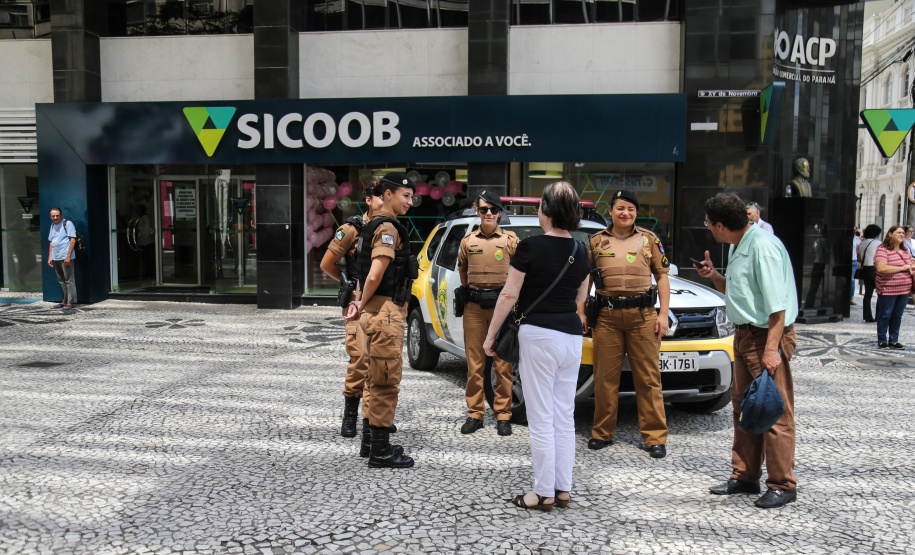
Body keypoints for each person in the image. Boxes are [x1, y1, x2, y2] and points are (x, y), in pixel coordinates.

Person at [483, 181, 589, 512]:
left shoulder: (529, 247)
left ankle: (542, 492)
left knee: (541, 415)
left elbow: (509, 294)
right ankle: (563, 488)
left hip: (539, 335)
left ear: (545, 210)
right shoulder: (582, 250)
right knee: (564, 414)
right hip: (572, 337)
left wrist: (491, 336)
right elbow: (581, 298)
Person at [695, 193, 798, 509]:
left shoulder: (762, 247)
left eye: (709, 224)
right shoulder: (740, 244)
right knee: (745, 407)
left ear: (721, 225)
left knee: (772, 407)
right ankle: (745, 476)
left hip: (766, 335)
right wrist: (713, 276)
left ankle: (782, 484)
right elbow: (741, 293)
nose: (708, 228)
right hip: (744, 335)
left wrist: (771, 350)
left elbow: (777, 307)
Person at [585, 189, 671, 459]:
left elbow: (663, 277)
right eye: (620, 208)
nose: (626, 213)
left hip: (643, 317)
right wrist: (579, 310)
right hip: (607, 318)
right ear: (610, 210)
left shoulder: (649, 239)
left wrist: (663, 314)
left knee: (648, 379)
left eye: (631, 209)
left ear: (636, 213)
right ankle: (601, 433)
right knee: (605, 380)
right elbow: (585, 279)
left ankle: (655, 437)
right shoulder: (596, 241)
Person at [345, 172, 417, 469]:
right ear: (388, 195)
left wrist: (360, 304)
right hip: (386, 311)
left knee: (375, 379)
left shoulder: (373, 225)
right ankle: (381, 451)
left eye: (412, 197)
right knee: (386, 382)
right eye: (405, 196)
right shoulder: (387, 227)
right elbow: (375, 272)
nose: (410, 202)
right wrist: (360, 303)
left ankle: (368, 442)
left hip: (376, 310)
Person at [320, 185, 384, 440]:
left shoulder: (389, 228)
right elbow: (327, 263)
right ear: (368, 200)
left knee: (379, 360)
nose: (383, 201)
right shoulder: (351, 230)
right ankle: (350, 415)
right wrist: (347, 284)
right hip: (358, 302)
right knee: (360, 359)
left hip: (382, 302)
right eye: (379, 197)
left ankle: (373, 418)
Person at [457, 190, 520, 436]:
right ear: (478, 211)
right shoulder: (467, 240)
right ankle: (475, 414)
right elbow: (463, 272)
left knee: (503, 364)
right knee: (475, 365)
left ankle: (503, 415)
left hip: (502, 309)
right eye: (484, 210)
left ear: (500, 212)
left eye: (494, 209)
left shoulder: (511, 241)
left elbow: (519, 275)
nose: (489, 214)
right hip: (474, 307)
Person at [873, 225, 913, 349]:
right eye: (899, 232)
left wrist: (911, 269)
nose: (902, 234)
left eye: (903, 233)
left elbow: (911, 265)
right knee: (885, 314)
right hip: (888, 289)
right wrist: (902, 268)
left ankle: (894, 340)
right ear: (890, 234)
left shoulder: (905, 251)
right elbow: (881, 268)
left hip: (904, 289)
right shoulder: (882, 250)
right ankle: (882, 339)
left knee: (897, 315)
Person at [47, 207, 77, 310]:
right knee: (61, 280)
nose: (55, 218)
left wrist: (68, 256)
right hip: (56, 257)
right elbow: (51, 242)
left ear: (61, 215)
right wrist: (50, 257)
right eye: (53, 216)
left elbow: (73, 240)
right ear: (50, 216)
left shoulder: (67, 224)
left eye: (57, 215)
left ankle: (71, 302)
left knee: (69, 280)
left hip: (65, 256)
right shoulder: (52, 225)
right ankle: (64, 300)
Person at [858, 224, 882, 323]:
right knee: (880, 293)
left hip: (865, 270)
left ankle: (867, 316)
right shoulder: (878, 243)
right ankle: (878, 316)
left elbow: (859, 258)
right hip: (875, 269)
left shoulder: (862, 243)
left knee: (868, 293)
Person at [851, 230, 861, 305]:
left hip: (854, 260)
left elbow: (858, 250)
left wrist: (859, 261)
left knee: (852, 280)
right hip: (846, 259)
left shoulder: (856, 239)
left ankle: (851, 297)